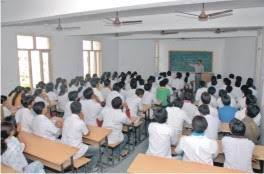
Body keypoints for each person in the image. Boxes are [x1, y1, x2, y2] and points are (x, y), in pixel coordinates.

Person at [61, 101, 99, 172]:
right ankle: (90, 169)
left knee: (85, 145)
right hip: (75, 149)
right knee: (97, 150)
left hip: (65, 147)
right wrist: (83, 119)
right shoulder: (80, 122)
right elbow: (87, 133)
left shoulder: (67, 119)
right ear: (80, 110)